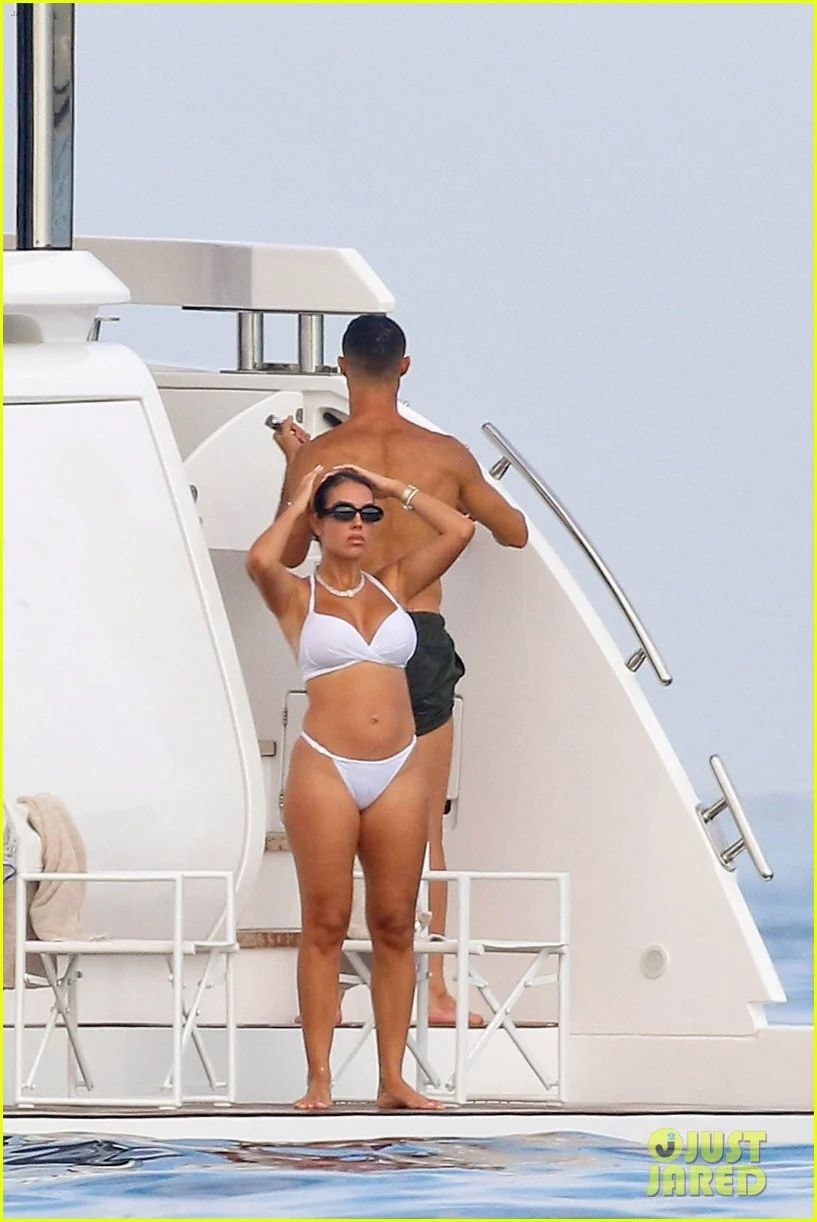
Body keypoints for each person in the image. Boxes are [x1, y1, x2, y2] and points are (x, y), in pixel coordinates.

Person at [273, 315, 528, 1026]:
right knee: (426, 825)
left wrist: (294, 462)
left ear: (341, 367)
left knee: (334, 824)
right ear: (405, 367)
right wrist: (428, 496)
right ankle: (435, 988)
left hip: (350, 645)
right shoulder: (443, 454)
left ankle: (331, 985)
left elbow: (288, 555)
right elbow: (513, 532)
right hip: (417, 633)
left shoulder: (322, 457)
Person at [246, 461, 475, 1110]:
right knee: (324, 922)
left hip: (399, 767)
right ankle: (319, 1080)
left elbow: (459, 531)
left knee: (396, 924)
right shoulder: (298, 596)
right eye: (343, 513)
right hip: (327, 766)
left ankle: (392, 1081)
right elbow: (261, 560)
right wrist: (299, 500)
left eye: (368, 515)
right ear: (320, 525)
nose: (358, 524)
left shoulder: (395, 583)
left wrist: (392, 487)